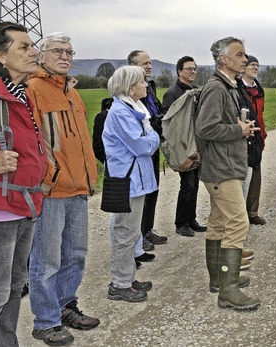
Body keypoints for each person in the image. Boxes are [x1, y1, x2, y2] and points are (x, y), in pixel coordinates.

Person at [0, 21, 47, 346]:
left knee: (13, 290)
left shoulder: (19, 93)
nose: (34, 52)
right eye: (25, 47)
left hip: (21, 207)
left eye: (33, 46)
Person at [26, 32, 99, 346]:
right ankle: (45, 321)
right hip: (52, 191)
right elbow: (32, 141)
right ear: (42, 55)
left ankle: (65, 307)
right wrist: (47, 176)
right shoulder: (34, 89)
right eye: (57, 50)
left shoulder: (72, 91)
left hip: (78, 187)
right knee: (46, 260)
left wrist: (88, 175)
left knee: (76, 255)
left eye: (69, 51)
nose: (65, 56)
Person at [195, 37, 260, 310]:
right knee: (238, 223)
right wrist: (239, 131)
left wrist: (238, 126)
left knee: (219, 223)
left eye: (244, 55)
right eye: (239, 54)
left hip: (223, 166)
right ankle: (228, 290)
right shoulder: (216, 88)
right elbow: (205, 128)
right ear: (223, 59)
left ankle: (219, 280)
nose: (245, 59)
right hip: (221, 169)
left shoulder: (227, 86)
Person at [103, 65, 161, 302]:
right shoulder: (120, 112)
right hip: (127, 181)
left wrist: (150, 138)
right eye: (141, 81)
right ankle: (120, 283)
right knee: (125, 232)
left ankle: (126, 277)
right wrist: (154, 136)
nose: (146, 85)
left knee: (131, 231)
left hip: (136, 179)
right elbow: (141, 145)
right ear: (129, 87)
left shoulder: (133, 109)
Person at [162, 56, 207, 237]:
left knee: (194, 183)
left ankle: (191, 219)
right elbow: (167, 121)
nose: (193, 72)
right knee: (187, 184)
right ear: (179, 71)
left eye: (195, 69)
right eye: (189, 69)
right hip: (183, 146)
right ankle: (181, 223)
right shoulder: (172, 93)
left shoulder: (194, 91)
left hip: (195, 143)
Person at [127, 50, 168, 250]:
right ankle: (138, 234)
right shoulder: (131, 90)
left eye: (150, 63)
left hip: (153, 142)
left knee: (153, 188)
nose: (150, 66)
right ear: (134, 66)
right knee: (142, 191)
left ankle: (148, 229)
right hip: (142, 146)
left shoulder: (150, 86)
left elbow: (156, 109)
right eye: (145, 64)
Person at [236, 55, 267, 226]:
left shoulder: (259, 91)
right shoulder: (239, 89)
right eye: (252, 65)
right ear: (244, 68)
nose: (255, 68)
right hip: (243, 137)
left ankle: (252, 212)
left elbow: (261, 115)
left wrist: (263, 136)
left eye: (257, 65)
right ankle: (240, 215)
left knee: (256, 176)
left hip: (258, 139)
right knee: (243, 177)